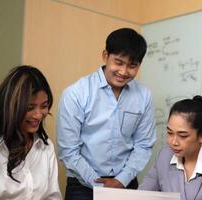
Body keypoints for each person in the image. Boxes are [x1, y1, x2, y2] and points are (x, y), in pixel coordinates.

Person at [57, 28, 157, 199]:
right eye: (118, 62)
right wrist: (100, 184)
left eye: (132, 66)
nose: (124, 71)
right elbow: (69, 151)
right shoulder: (76, 93)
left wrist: (121, 181)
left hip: (126, 182)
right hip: (83, 185)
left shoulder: (144, 96)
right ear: (105, 55)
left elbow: (143, 144)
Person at [139, 95, 202, 200]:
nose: (174, 142)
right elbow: (142, 195)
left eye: (183, 136)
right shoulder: (164, 156)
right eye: (170, 133)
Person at [0, 65, 62, 199]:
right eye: (30, 108)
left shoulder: (45, 147)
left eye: (44, 106)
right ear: (12, 106)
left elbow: (53, 196)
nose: (38, 115)